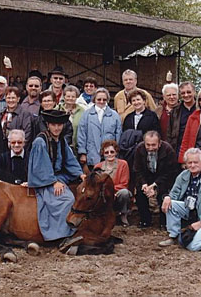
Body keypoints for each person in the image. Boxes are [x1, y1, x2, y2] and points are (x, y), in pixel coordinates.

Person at [28, 110, 83, 241]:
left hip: (60, 176)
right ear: (48, 125)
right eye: (53, 125)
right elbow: (41, 166)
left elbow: (70, 160)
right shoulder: (40, 142)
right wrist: (53, 182)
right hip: (45, 180)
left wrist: (80, 174)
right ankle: (61, 235)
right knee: (67, 199)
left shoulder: (62, 140)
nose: (57, 128)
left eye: (59, 125)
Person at [160, 148, 201, 251]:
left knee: (192, 247)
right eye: (189, 162)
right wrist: (167, 197)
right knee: (170, 203)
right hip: (191, 212)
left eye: (195, 162)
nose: (192, 165)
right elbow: (174, 194)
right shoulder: (183, 175)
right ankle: (173, 235)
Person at [134, 131, 178, 229]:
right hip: (147, 175)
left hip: (164, 177)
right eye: (148, 145)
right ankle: (145, 220)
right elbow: (137, 169)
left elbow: (170, 172)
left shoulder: (168, 150)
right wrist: (144, 183)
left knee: (163, 194)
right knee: (140, 193)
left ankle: (164, 222)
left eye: (153, 145)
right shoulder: (139, 149)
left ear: (159, 143)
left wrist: (155, 185)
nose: (150, 148)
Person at [77, 88, 122, 169]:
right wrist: (82, 153)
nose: (101, 101)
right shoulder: (86, 115)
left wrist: (116, 152)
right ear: (94, 99)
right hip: (91, 154)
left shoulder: (115, 115)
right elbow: (82, 134)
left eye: (104, 99)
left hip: (109, 155)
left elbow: (118, 134)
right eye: (99, 99)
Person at [94, 140, 131, 226]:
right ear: (103, 154)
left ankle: (123, 215)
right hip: (103, 195)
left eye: (112, 152)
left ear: (116, 152)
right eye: (107, 152)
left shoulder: (123, 164)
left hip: (117, 193)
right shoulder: (98, 166)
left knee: (124, 193)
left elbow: (124, 183)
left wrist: (111, 191)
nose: (109, 154)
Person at [57, 85, 85, 151]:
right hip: (59, 146)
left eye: (73, 96)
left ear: (76, 98)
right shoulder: (57, 109)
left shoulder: (82, 111)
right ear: (64, 97)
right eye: (68, 96)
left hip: (76, 147)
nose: (70, 98)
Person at [174, 82, 197, 154]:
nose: (186, 95)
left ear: (194, 92)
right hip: (179, 148)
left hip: (197, 147)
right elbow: (170, 133)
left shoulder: (200, 109)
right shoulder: (175, 111)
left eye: (189, 92)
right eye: (183, 93)